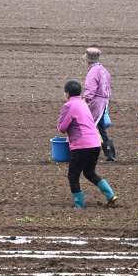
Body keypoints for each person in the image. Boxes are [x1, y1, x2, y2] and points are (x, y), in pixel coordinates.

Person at [57, 79, 118, 209]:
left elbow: (62, 127)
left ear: (67, 93)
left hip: (81, 145)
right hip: (95, 143)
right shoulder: (84, 104)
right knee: (89, 172)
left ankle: (79, 204)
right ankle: (110, 194)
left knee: (73, 175)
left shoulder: (69, 105)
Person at [83, 47, 115, 162]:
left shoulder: (93, 72)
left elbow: (90, 90)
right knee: (100, 127)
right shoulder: (103, 70)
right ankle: (110, 153)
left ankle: (89, 152)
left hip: (96, 103)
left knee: (89, 126)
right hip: (104, 102)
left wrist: (84, 101)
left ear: (87, 58)